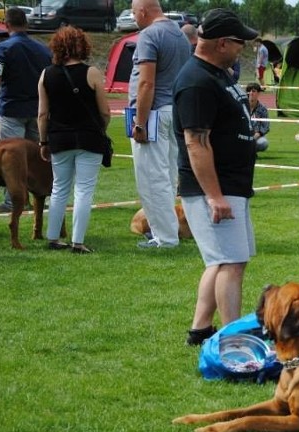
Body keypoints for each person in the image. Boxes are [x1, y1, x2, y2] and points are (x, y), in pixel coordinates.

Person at [173, 8, 259, 346]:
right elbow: (196, 142)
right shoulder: (196, 81)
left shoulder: (217, 74)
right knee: (231, 263)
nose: (244, 48)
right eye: (240, 42)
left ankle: (200, 329)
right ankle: (232, 339)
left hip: (230, 184)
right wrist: (214, 196)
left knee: (221, 260)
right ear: (222, 43)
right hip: (216, 187)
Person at [38, 26, 111, 255]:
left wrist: (43, 142)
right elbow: (106, 112)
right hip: (88, 138)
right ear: (83, 45)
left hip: (59, 139)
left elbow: (42, 114)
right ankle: (77, 242)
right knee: (84, 190)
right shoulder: (92, 73)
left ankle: (53, 237)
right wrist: (100, 129)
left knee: (59, 188)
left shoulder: (46, 74)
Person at [128, 0, 191, 249]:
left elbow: (146, 83)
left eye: (133, 13)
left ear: (143, 11)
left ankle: (165, 238)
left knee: (151, 178)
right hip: (173, 111)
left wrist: (140, 123)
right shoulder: (179, 34)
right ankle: (166, 232)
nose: (134, 18)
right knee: (167, 175)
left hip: (153, 114)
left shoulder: (149, 35)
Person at [0, 8, 51, 214]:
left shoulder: (2, 49)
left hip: (12, 109)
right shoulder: (44, 50)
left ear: (6, 25)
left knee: (12, 158)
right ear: (26, 24)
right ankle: (40, 197)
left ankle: (13, 201)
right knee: (37, 157)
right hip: (38, 110)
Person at [245, 82, 269, 152]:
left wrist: (256, 136)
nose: (251, 93)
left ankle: (250, 151)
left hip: (256, 136)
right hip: (242, 134)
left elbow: (265, 126)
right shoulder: (241, 106)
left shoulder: (262, 108)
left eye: (253, 91)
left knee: (263, 143)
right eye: (249, 91)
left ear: (258, 93)